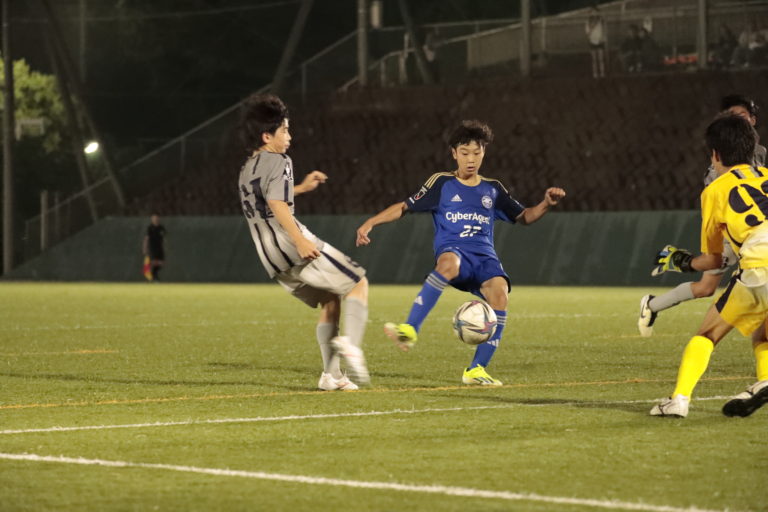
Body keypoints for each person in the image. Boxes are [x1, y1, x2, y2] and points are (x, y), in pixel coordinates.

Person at [355, 120, 566, 386]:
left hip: (484, 258)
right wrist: (371, 222)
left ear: (484, 153)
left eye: (477, 153)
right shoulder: (441, 183)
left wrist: (546, 203)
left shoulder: (493, 189)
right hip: (454, 250)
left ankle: (476, 370)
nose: (471, 159)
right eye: (465, 153)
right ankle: (410, 329)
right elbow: (404, 206)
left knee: (500, 293)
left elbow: (524, 217)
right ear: (454, 153)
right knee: (449, 263)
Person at [237, 93, 370, 391]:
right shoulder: (279, 159)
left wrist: (301, 188)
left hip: (269, 255)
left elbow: (266, 197)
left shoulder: (248, 167)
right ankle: (351, 343)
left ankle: (331, 376)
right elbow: (276, 202)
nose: (289, 137)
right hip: (290, 242)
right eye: (284, 130)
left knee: (330, 299)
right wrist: (298, 240)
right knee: (357, 283)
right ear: (267, 136)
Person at [649, 115, 768, 418]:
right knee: (763, 335)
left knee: (707, 334)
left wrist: (680, 260)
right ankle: (765, 379)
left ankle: (678, 400)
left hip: (760, 266)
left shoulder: (715, 190)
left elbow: (714, 260)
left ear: (715, 154)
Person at [639, 94, 767, 337]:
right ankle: (668, 273)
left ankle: (655, 299)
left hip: (757, 230)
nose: (739, 120)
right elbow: (719, 200)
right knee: (707, 287)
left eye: (742, 116)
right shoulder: (720, 167)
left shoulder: (758, 151)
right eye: (733, 117)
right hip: (735, 229)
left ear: (753, 119)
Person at [143, 214, 166, 281]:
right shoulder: (150, 228)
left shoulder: (161, 228)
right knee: (153, 261)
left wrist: (164, 247)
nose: (155, 219)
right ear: (152, 219)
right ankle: (152, 275)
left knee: (161, 263)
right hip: (152, 247)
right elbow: (146, 238)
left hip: (160, 247)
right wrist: (145, 247)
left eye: (156, 218)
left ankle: (154, 273)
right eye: (154, 218)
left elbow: (163, 239)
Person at [585, 6, 607, 78]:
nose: (594, 13)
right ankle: (595, 73)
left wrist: (603, 38)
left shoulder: (601, 20)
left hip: (600, 41)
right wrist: (592, 26)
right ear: (590, 13)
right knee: (594, 59)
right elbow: (587, 33)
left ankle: (602, 73)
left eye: (596, 12)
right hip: (592, 41)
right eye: (593, 12)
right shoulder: (588, 21)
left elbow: (604, 30)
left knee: (601, 59)